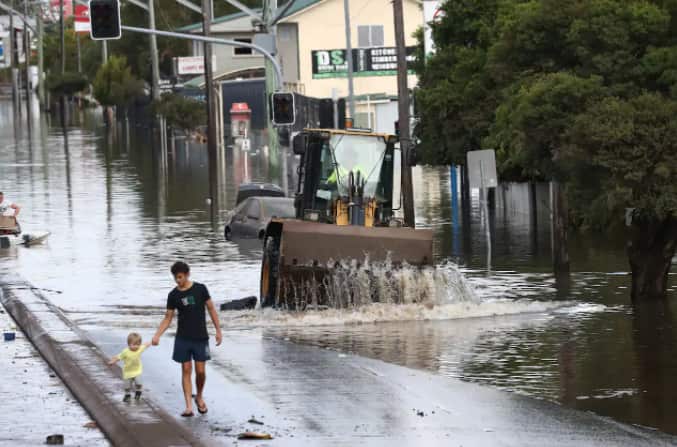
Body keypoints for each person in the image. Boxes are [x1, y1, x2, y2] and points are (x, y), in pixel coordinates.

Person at [152, 261, 222, 417]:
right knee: (186, 369)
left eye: (180, 277)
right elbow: (168, 318)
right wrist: (157, 335)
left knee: (201, 372)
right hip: (183, 338)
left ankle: (199, 396)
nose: (178, 281)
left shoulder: (200, 289)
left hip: (200, 337)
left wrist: (218, 330)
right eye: (175, 278)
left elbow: (211, 309)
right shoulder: (173, 295)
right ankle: (189, 406)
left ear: (187, 274)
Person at [108, 332, 152, 402]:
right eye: (134, 344)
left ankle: (138, 392)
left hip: (137, 370)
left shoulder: (140, 348)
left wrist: (152, 341)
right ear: (129, 344)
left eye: (138, 344)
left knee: (139, 383)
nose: (136, 346)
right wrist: (113, 361)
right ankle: (127, 395)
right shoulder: (125, 352)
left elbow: (145, 345)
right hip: (128, 372)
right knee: (127, 386)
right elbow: (118, 357)